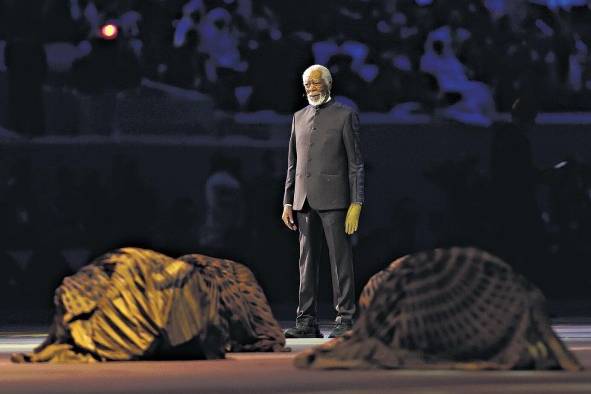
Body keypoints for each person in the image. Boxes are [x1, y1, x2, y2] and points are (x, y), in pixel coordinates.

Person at [281, 64, 365, 338]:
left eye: (316, 83)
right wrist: (287, 202)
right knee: (306, 262)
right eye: (307, 84)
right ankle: (306, 321)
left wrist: (357, 202)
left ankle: (346, 318)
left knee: (340, 261)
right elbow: (292, 164)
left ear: (328, 83)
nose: (311, 88)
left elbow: (356, 164)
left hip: (335, 199)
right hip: (303, 200)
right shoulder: (298, 117)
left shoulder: (344, 116)